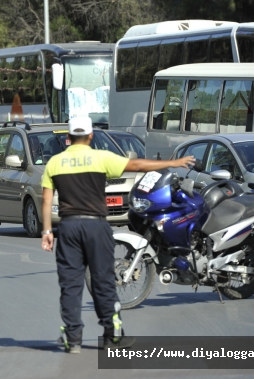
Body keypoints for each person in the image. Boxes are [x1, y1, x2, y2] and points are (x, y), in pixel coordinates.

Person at [40, 115, 195, 354]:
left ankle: (73, 339)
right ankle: (112, 337)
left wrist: (47, 230)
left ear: (68, 139)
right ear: (90, 136)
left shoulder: (55, 163)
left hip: (69, 228)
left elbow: (47, 197)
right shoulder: (101, 157)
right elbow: (138, 166)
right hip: (96, 227)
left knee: (70, 285)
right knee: (103, 282)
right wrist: (172, 164)